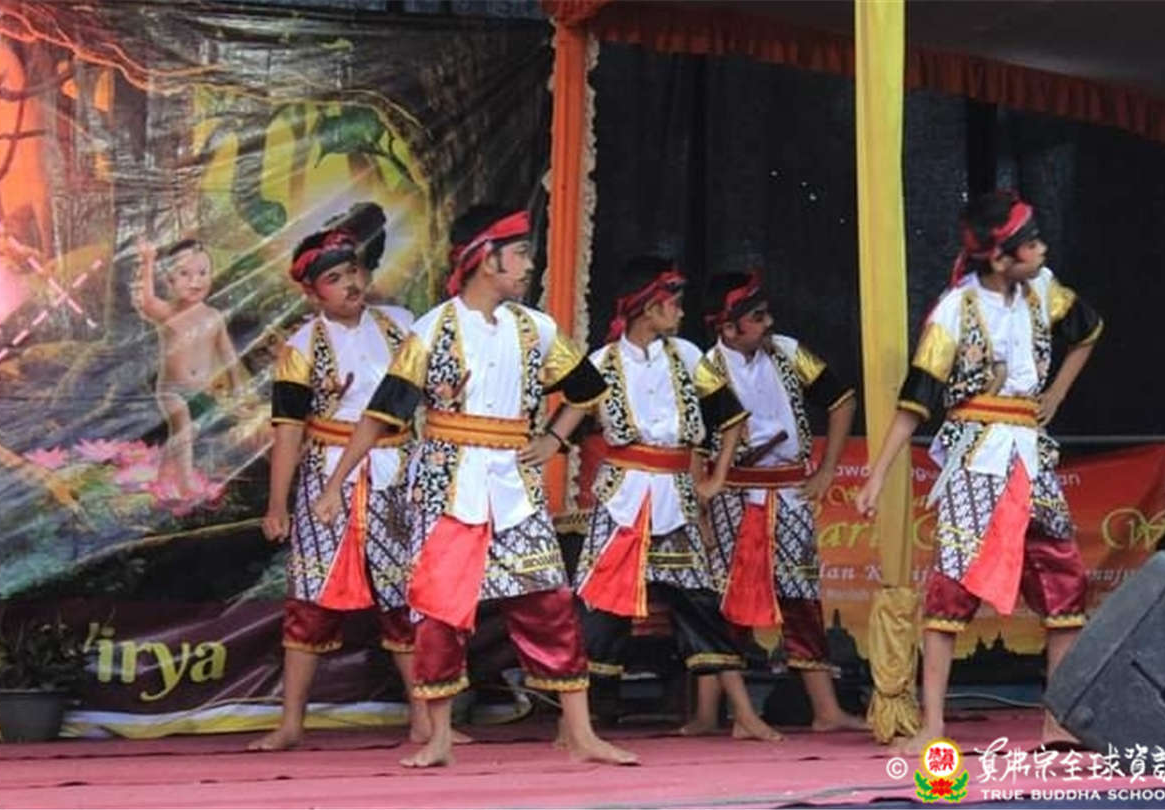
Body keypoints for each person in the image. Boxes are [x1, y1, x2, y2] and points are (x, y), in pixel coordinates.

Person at [314, 205, 637, 768]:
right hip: (447, 482)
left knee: (550, 602)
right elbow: (382, 414)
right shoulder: (433, 329)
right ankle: (439, 736)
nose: (530, 265)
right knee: (439, 610)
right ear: (486, 259)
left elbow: (589, 389)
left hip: (515, 484)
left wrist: (554, 440)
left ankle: (581, 735)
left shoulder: (535, 328)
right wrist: (334, 484)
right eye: (521, 254)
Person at [854, 190, 1103, 752]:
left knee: (1064, 581)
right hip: (976, 457)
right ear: (998, 257)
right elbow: (916, 399)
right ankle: (933, 726)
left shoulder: (1044, 289)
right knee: (952, 586)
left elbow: (1088, 330)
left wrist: (1057, 393)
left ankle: (1057, 722)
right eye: (1030, 243)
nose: (1042, 249)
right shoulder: (955, 310)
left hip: (1030, 454)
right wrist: (877, 476)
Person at [573, 256, 782, 743]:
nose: (682, 312)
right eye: (674, 303)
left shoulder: (687, 357)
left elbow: (731, 419)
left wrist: (714, 480)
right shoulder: (600, 364)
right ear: (649, 308)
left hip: (676, 499)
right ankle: (574, 724)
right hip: (622, 502)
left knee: (701, 604)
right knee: (598, 607)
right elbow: (568, 423)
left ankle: (744, 715)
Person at [250, 217, 427, 751]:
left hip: (398, 474)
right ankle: (291, 724)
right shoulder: (301, 347)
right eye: (334, 279)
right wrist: (277, 504)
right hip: (327, 478)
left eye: (352, 272)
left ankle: (426, 721)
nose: (350, 284)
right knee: (311, 597)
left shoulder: (403, 325)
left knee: (405, 596)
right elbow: (288, 429)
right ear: (311, 293)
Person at [686, 271, 865, 734]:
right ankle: (709, 713)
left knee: (802, 596)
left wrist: (826, 470)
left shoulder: (788, 351)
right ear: (729, 328)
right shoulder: (706, 370)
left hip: (790, 488)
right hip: (734, 493)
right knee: (728, 598)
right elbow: (698, 445)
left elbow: (842, 400)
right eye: (758, 317)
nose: (769, 323)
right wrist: (701, 506)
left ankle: (825, 711)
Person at [133, 238, 249, 501]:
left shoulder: (213, 317)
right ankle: (185, 484)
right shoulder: (168, 312)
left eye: (202, 273)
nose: (195, 281)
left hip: (199, 392)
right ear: (169, 280)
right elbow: (147, 301)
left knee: (185, 435)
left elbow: (228, 353)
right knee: (183, 427)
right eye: (184, 274)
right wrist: (148, 261)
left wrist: (236, 384)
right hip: (171, 390)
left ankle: (163, 473)